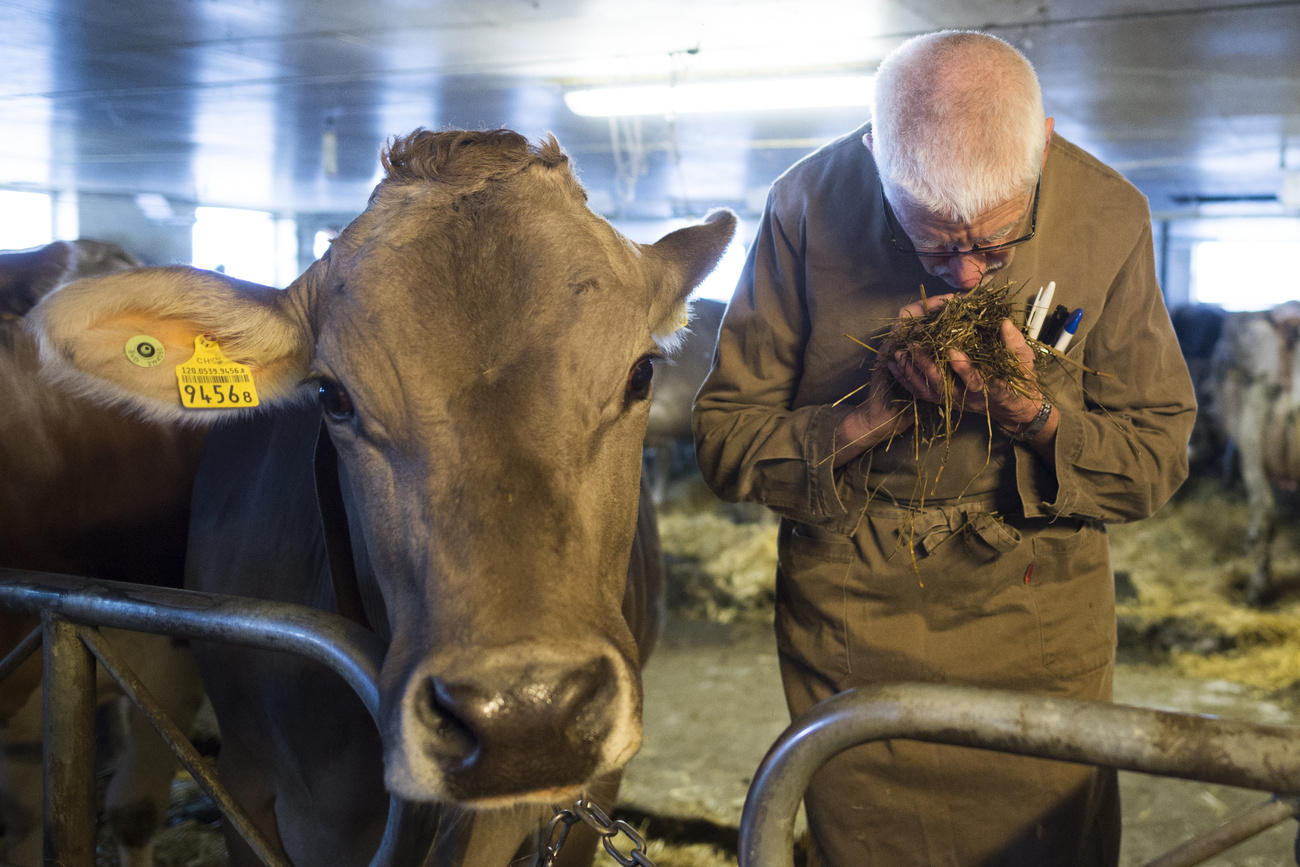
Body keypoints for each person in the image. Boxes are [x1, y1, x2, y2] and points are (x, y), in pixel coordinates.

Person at [692, 30, 1196, 866]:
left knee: (1047, 842)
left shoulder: (1109, 215)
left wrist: (1033, 416)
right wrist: (865, 416)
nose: (967, 277)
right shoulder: (804, 205)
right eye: (934, 246)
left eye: (996, 247)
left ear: (1042, 147)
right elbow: (724, 437)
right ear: (875, 160)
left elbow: (1154, 461)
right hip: (859, 606)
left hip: (1038, 606)